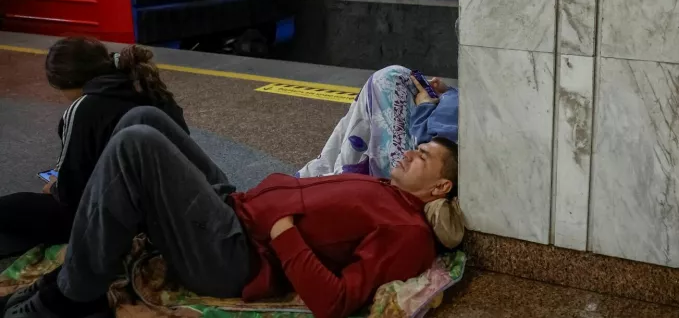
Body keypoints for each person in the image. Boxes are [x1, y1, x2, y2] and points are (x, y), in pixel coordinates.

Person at [2, 107, 458, 318]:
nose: (409, 154)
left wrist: (284, 235)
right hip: (237, 210)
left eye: (423, 156)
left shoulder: (407, 231)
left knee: (135, 146)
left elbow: (335, 301)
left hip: (238, 254)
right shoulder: (384, 186)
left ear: (440, 186)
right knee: (144, 118)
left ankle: (70, 299)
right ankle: (99, 251)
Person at [0, 37, 188, 258]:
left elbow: (71, 192)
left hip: (124, 218)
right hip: (176, 207)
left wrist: (54, 187)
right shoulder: (147, 87)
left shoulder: (83, 109)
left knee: (11, 207)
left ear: (63, 82)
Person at [298, 65, 458, 179]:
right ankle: (331, 172)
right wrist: (449, 92)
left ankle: (339, 178)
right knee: (392, 79)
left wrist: (425, 107)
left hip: (423, 151)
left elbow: (440, 144)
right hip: (432, 112)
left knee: (387, 79)